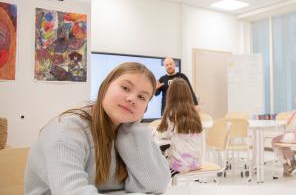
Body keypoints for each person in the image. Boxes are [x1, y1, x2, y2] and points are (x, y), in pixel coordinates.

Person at [24, 62, 171, 194]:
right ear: (105, 86)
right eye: (125, 88)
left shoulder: (126, 130)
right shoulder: (66, 130)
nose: (132, 99)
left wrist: (133, 128)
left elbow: (156, 185)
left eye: (142, 97)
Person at [154, 78, 203, 177]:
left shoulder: (172, 114)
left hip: (180, 165)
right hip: (197, 163)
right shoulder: (195, 114)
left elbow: (162, 134)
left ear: (171, 95)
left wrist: (154, 131)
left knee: (156, 169)